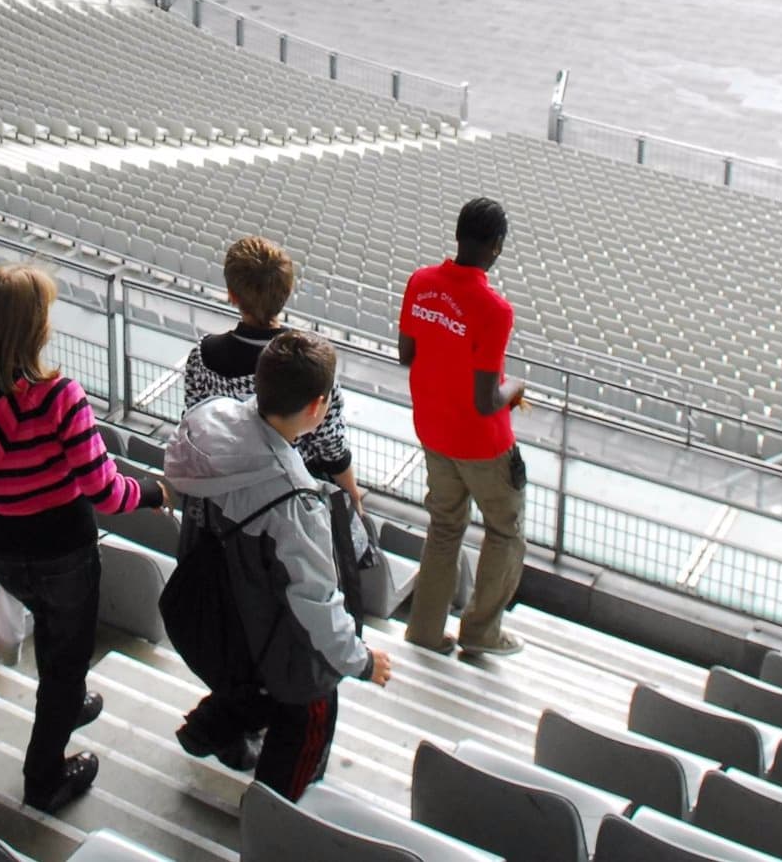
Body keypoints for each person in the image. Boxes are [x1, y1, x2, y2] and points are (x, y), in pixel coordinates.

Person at [0, 266, 170, 813]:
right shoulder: (59, 398)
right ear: (31, 330)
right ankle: (44, 776)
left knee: (54, 632)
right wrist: (152, 492)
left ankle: (67, 701)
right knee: (68, 651)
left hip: (4, 549)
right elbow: (105, 493)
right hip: (65, 552)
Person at [165, 333, 393, 799]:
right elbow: (317, 604)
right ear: (317, 408)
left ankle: (209, 728)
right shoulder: (296, 502)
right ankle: (274, 813)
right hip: (264, 624)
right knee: (311, 709)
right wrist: (362, 662)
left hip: (217, 607)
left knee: (252, 681)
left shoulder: (206, 421)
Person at [183, 237, 365, 639]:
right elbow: (331, 446)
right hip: (286, 505)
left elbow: (195, 421)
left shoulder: (203, 355)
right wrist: (353, 494)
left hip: (221, 504)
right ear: (287, 293)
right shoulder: (307, 363)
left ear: (232, 294)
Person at [398, 197, 526, 660]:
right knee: (504, 530)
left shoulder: (421, 282)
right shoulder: (495, 309)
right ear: (496, 247)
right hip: (482, 444)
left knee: (446, 527)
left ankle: (426, 631)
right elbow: (485, 399)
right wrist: (515, 388)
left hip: (433, 431)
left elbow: (406, 354)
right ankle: (481, 632)